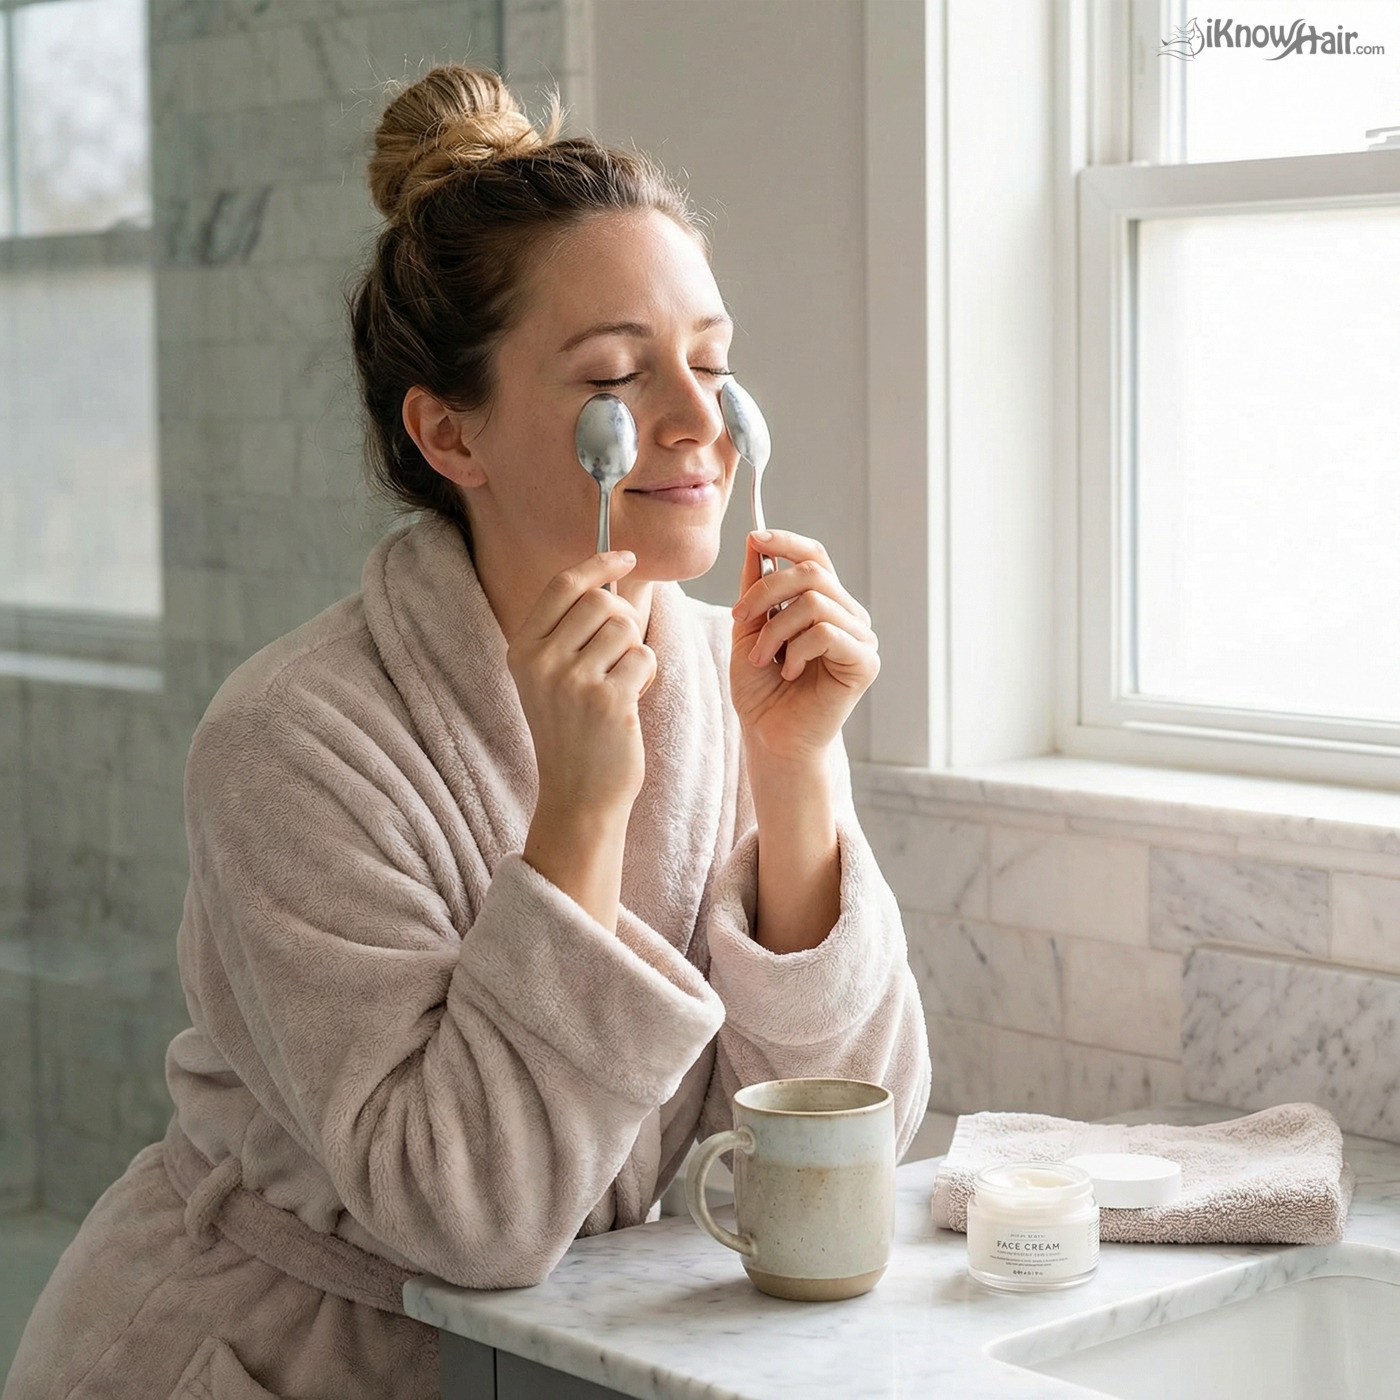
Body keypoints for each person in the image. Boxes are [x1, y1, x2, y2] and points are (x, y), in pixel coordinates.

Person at [5, 65, 931, 1400]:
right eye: (618, 373)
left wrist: (798, 773)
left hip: (553, 1356)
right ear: (451, 434)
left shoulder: (733, 690)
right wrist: (579, 813)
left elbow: (856, 1151)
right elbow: (467, 1220)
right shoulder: (292, 741)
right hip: (266, 1353)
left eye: (714, 364)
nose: (697, 423)